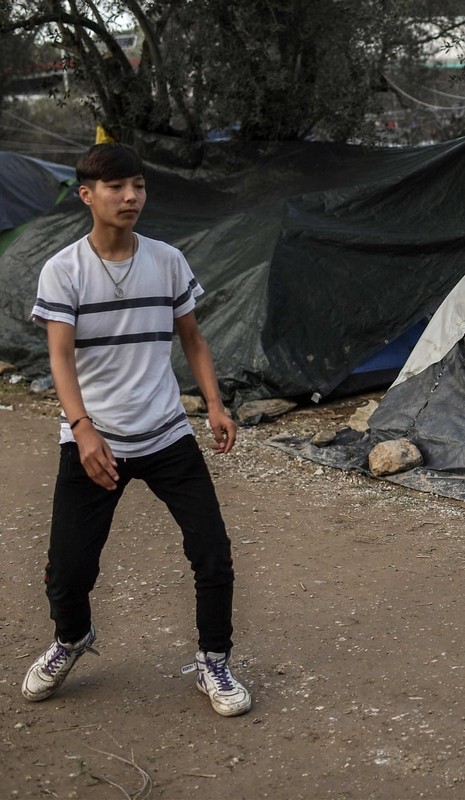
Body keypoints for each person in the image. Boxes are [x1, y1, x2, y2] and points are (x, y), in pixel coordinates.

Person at [22, 142, 252, 717]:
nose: (131, 197)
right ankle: (72, 638)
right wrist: (82, 427)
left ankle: (214, 660)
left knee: (212, 553)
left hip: (168, 432)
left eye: (139, 187)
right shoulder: (64, 269)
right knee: (69, 568)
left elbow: (192, 339)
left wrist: (215, 406)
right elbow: (60, 359)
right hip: (93, 441)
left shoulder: (168, 260)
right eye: (117, 187)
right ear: (86, 195)